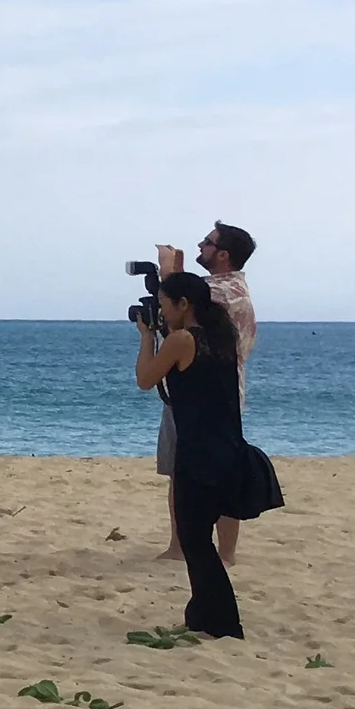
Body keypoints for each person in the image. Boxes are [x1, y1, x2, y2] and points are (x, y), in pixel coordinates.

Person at [135, 271, 283, 639]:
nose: (162, 312)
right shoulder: (222, 335)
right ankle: (203, 615)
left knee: (195, 540)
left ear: (184, 305)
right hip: (228, 447)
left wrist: (146, 337)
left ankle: (221, 622)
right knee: (199, 539)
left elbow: (145, 378)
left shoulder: (181, 340)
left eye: (166, 305)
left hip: (198, 454)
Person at [154, 222, 259, 564]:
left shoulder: (226, 292)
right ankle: (190, 546)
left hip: (206, 394)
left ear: (224, 254)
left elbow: (182, 310)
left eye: (208, 243)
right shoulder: (221, 289)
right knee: (189, 469)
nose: (201, 245)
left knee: (209, 471)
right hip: (201, 391)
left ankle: (211, 551)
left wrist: (169, 274)